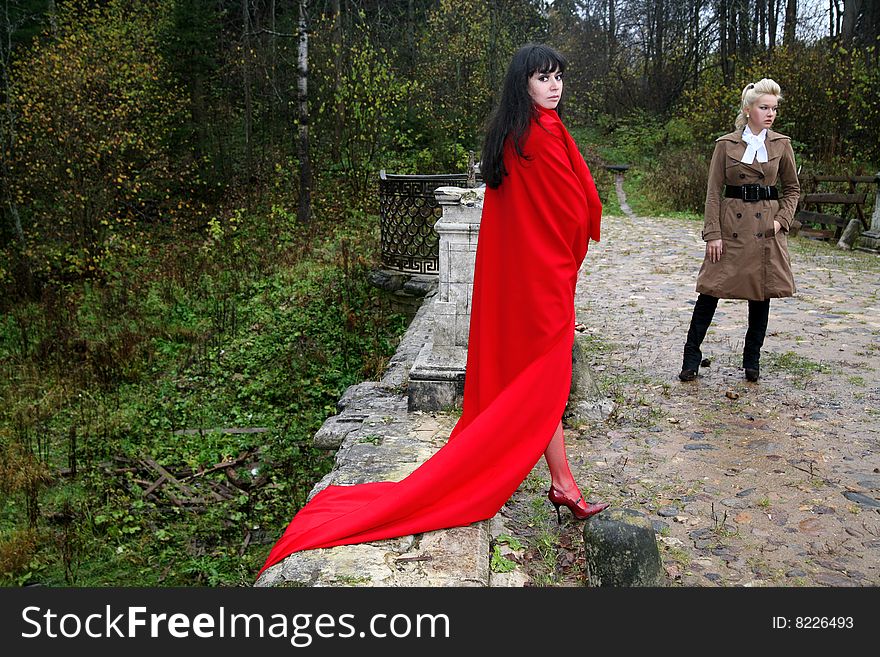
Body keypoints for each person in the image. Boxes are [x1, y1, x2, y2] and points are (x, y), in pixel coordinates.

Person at [258, 44, 606, 577]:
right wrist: (570, 247)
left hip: (526, 280)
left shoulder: (518, 132)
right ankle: (562, 483)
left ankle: (563, 483)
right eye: (543, 78)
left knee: (539, 380)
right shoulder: (537, 135)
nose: (555, 87)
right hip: (540, 283)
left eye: (558, 77)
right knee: (545, 380)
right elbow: (574, 207)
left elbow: (552, 206)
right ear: (524, 84)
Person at [678, 78, 800, 384]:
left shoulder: (781, 144)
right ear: (748, 110)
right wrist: (713, 233)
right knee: (710, 290)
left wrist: (780, 222)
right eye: (763, 107)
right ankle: (691, 356)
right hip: (730, 228)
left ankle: (752, 360)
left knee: (761, 295)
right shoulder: (726, 145)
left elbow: (792, 189)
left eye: (774, 108)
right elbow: (713, 192)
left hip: (766, 230)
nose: (770, 113)